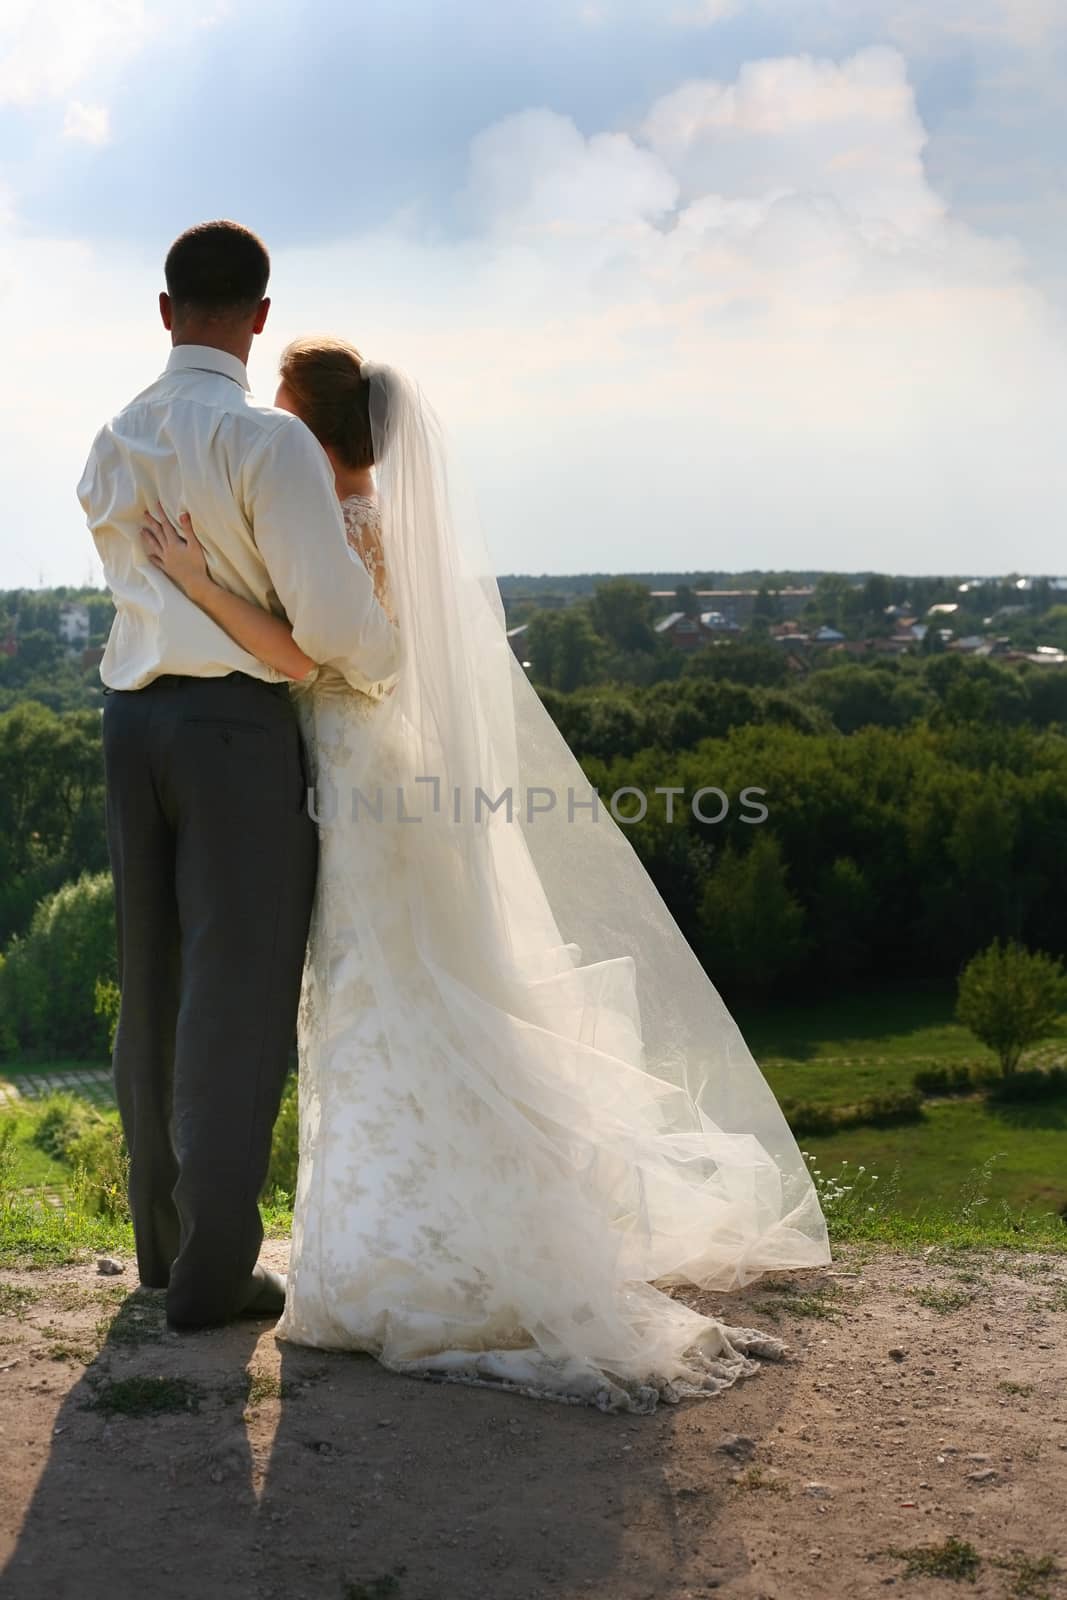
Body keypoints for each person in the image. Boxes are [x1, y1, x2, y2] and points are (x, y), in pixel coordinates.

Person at [140, 335, 831, 1412]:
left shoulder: (350, 525)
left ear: (314, 429)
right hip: (384, 784)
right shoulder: (382, 526)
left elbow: (302, 652)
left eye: (280, 410)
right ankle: (426, 1235)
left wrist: (192, 577)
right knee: (397, 996)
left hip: (361, 788)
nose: (270, 427)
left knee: (380, 998)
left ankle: (393, 1256)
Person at [77, 222, 398, 1331]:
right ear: (259, 319)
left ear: (165, 310)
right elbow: (336, 625)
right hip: (234, 731)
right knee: (240, 993)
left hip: (130, 724)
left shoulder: (114, 438)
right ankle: (215, 1275)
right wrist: (384, 661)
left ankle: (164, 1258)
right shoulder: (268, 446)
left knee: (152, 985)